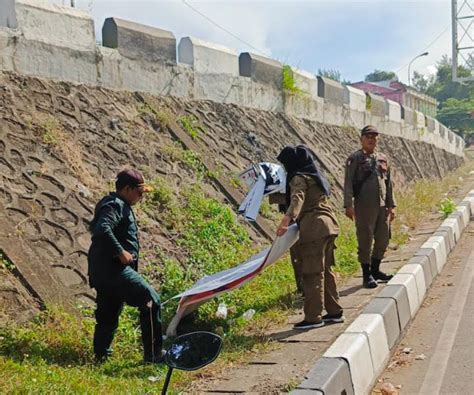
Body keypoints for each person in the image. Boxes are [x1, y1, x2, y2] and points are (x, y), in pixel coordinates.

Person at [87, 168, 164, 363]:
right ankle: (154, 355)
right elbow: (102, 230)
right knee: (151, 300)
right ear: (127, 189)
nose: (141, 197)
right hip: (114, 270)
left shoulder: (117, 205)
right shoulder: (114, 205)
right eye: (139, 192)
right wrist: (120, 252)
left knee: (108, 314)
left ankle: (101, 356)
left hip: (103, 272)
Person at [276, 145, 344, 329]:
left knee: (312, 273)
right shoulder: (315, 175)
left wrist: (286, 220)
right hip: (328, 225)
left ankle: (313, 317)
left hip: (314, 228)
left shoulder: (299, 177)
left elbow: (298, 198)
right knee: (326, 270)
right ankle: (334, 311)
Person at [343, 125, 396, 289]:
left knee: (383, 238)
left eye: (374, 137)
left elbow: (388, 184)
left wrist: (391, 205)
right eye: (368, 137)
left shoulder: (382, 159)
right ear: (362, 139)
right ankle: (366, 275)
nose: (371, 140)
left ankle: (375, 269)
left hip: (381, 206)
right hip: (364, 206)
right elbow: (348, 183)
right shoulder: (355, 159)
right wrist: (348, 205)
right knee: (365, 239)